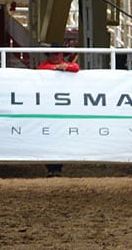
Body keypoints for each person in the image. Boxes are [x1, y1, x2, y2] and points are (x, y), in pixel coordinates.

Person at [37, 42, 79, 177]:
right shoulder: (44, 67)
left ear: (62, 55)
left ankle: (57, 168)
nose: (55, 56)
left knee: (60, 135)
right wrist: (59, 68)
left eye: (57, 53)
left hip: (62, 107)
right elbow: (41, 70)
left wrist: (65, 67)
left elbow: (76, 67)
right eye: (52, 54)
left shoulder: (67, 67)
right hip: (48, 105)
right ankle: (51, 168)